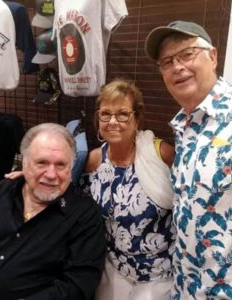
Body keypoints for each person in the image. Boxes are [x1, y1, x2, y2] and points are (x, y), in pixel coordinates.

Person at [145, 20, 232, 299]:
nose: (177, 67)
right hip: (187, 287)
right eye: (167, 61)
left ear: (212, 56)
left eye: (187, 54)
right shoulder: (183, 126)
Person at [0, 123, 106, 300]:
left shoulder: (85, 215)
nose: (51, 174)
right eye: (41, 163)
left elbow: (78, 285)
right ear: (24, 164)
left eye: (61, 165)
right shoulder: (0, 191)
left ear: (71, 169)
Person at [83, 79, 176, 300]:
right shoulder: (93, 161)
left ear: (137, 118)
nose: (113, 121)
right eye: (105, 114)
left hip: (159, 277)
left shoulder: (161, 155)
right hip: (112, 272)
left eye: (122, 114)